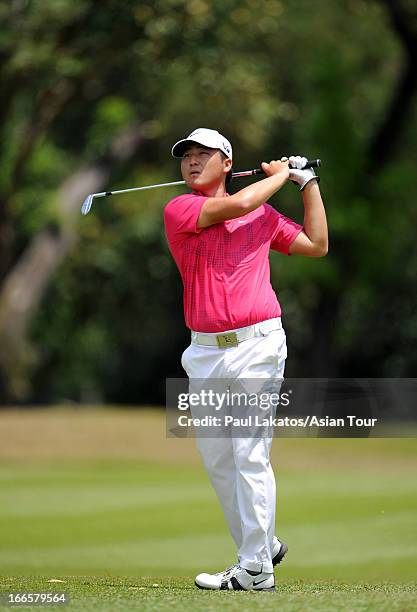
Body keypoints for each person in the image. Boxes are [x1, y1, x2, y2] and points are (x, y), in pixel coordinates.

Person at [164, 128, 328, 591]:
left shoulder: (264, 215)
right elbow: (235, 206)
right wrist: (281, 175)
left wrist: (307, 182)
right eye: (187, 157)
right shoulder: (181, 209)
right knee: (217, 458)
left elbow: (317, 245)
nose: (193, 162)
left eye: (204, 155)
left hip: (258, 345)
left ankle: (256, 569)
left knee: (249, 452)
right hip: (204, 352)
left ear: (228, 164)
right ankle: (264, 544)